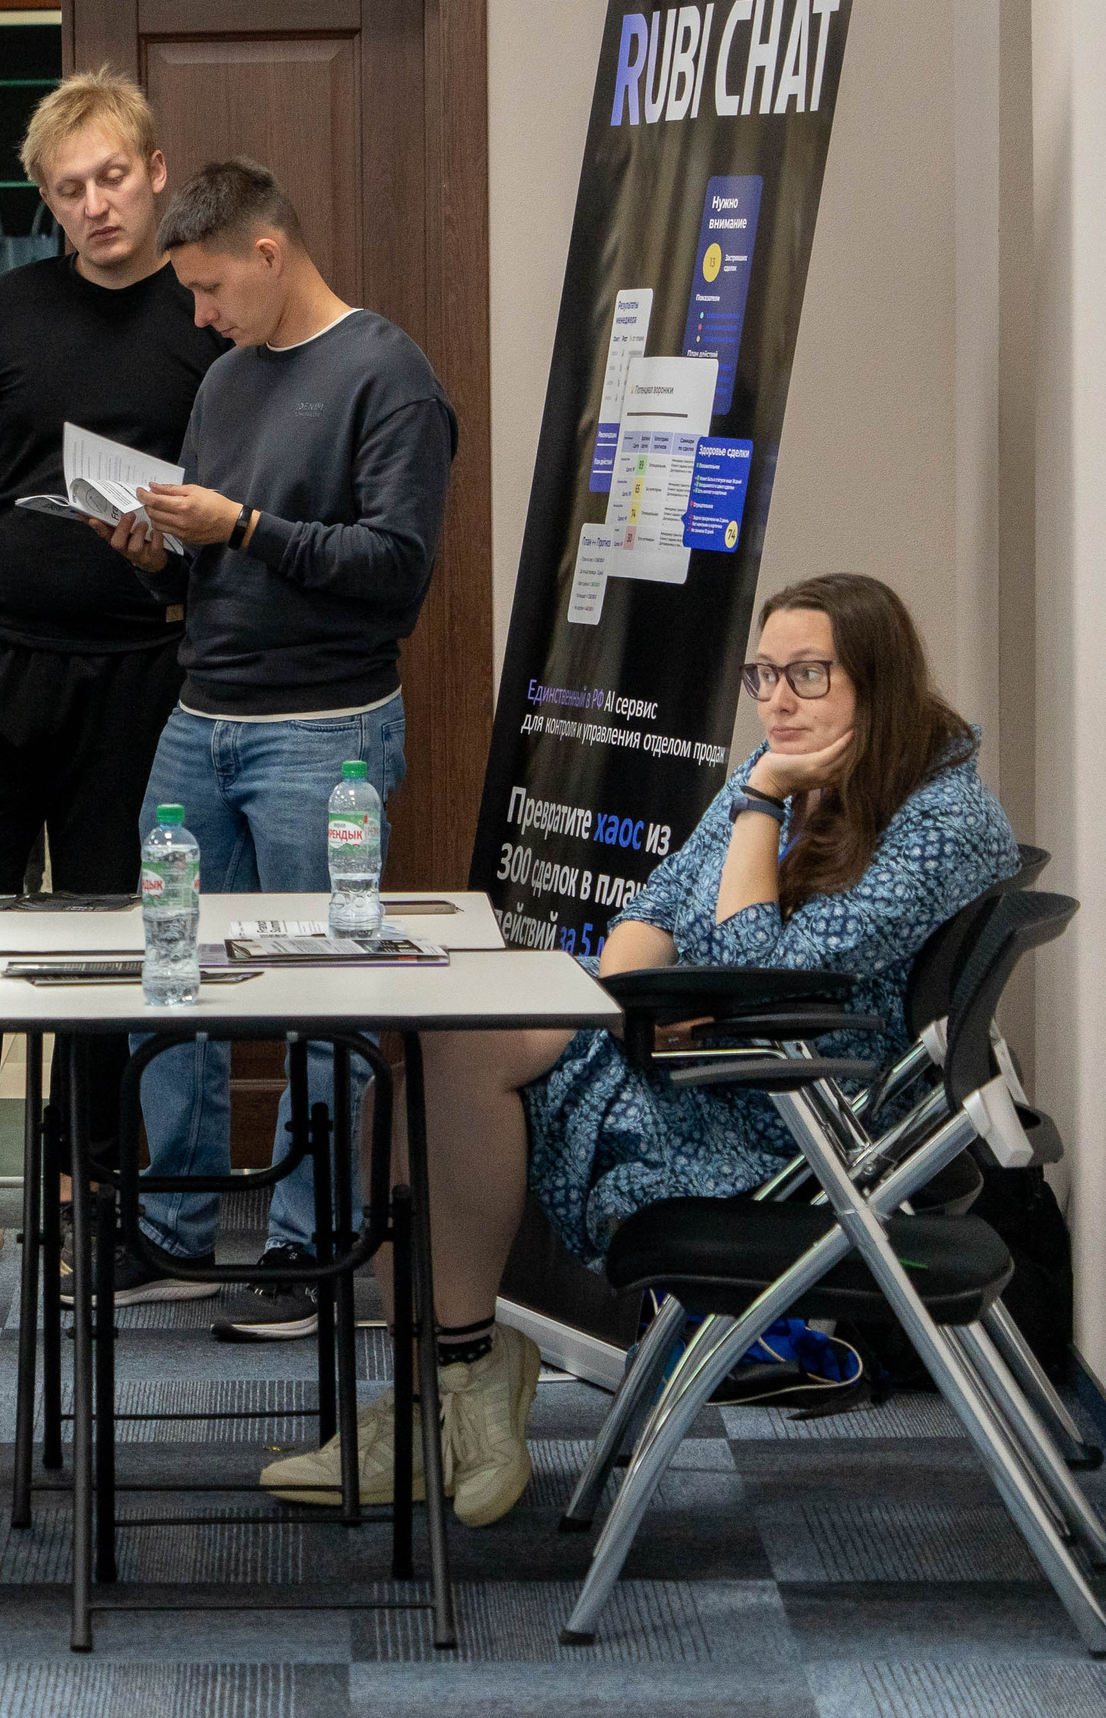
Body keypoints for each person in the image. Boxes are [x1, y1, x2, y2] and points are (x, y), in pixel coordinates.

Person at [260, 573, 1019, 1526]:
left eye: (809, 676)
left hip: (789, 1114)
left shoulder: (936, 822)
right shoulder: (788, 772)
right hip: (707, 1053)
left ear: (878, 682)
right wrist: (633, 1006)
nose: (778, 701)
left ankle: (451, 1387)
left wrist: (762, 803)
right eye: (763, 675)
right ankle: (447, 1386)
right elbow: (650, 914)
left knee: (446, 1066)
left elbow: (760, 962)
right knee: (423, 1052)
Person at [0, 69, 228, 1278]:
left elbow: (229, 504)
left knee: (115, 933)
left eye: (113, 177)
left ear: (156, 172)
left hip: (139, 667)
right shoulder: (11, 308)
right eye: (69, 190)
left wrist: (170, 555)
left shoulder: (204, 315)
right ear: (49, 205)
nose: (95, 205)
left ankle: (89, 1186)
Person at [93, 156, 455, 1319]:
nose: (198, 318)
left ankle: (309, 1246)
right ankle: (170, 1230)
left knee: (321, 994)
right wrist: (168, 555)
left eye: (207, 291)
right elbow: (217, 556)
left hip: (324, 728)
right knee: (172, 977)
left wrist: (241, 525)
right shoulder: (227, 379)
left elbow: (394, 572)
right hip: (200, 717)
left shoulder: (386, 376)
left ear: (267, 252)